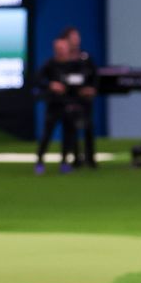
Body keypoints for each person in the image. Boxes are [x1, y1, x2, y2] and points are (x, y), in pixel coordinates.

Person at [34, 37, 78, 175]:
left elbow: (80, 81)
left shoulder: (74, 65)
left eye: (63, 48)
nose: (61, 51)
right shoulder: (50, 64)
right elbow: (37, 80)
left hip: (69, 105)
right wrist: (51, 85)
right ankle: (40, 161)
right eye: (58, 48)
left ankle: (64, 162)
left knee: (68, 135)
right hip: (53, 105)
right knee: (47, 134)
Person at [60, 26, 98, 168]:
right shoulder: (63, 60)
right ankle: (75, 158)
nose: (76, 40)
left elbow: (94, 76)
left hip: (85, 99)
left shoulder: (85, 57)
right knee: (71, 129)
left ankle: (91, 158)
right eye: (73, 37)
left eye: (77, 37)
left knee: (88, 127)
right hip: (70, 99)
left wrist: (91, 89)